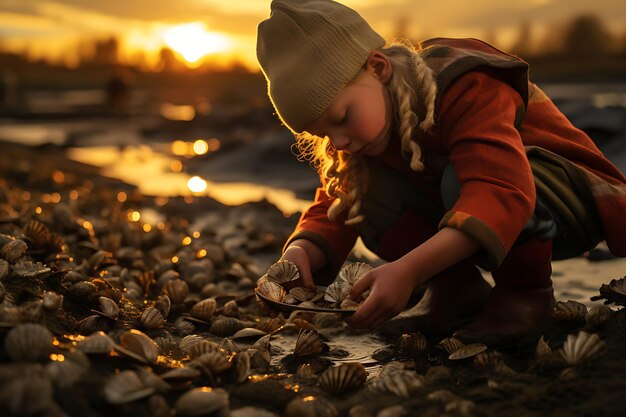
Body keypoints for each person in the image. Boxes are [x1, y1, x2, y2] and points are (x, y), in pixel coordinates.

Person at [256, 0, 626, 345]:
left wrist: (410, 271)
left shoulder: (465, 82)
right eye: (324, 134)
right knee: (361, 190)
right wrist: (300, 253)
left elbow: (500, 187)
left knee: (461, 179)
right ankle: (455, 293)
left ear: (378, 67)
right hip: (482, 215)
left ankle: (525, 294)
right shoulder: (369, 132)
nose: (340, 141)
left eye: (343, 118)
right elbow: (334, 206)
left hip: (566, 201)